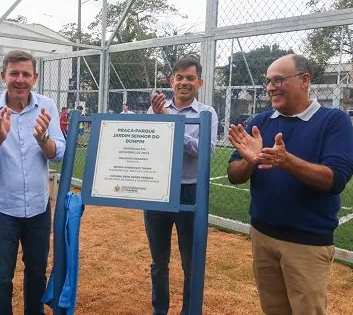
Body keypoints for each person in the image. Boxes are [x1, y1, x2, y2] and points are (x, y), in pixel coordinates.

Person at [227, 54, 353, 315]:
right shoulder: (260, 122)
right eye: (269, 82)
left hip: (306, 243)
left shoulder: (334, 121)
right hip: (261, 236)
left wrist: (287, 162)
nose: (271, 87)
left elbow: (335, 179)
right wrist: (250, 161)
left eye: (279, 80)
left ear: (305, 80)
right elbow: (233, 174)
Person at [0, 50, 65, 314]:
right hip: (1, 210)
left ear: (35, 78)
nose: (20, 79)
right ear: (3, 76)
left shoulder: (47, 106)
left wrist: (44, 139)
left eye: (26, 74)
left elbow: (59, 153)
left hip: (38, 208)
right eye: (14, 73)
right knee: (0, 278)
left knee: (36, 275)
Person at [146, 56, 218, 315]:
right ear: (171, 81)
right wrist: (158, 119)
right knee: (159, 261)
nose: (184, 82)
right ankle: (160, 310)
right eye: (179, 77)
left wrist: (169, 121)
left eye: (190, 78)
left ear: (200, 82)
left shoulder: (207, 113)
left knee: (191, 262)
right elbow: (148, 147)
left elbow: (203, 151)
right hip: (157, 190)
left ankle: (189, 310)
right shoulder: (156, 109)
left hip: (190, 191)